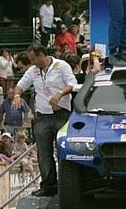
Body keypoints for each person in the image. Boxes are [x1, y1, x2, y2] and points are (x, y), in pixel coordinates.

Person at [12, 43, 77, 197]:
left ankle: (67, 185)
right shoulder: (33, 71)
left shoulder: (62, 66)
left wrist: (60, 94)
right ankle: (48, 186)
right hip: (42, 116)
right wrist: (17, 95)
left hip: (61, 115)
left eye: (34, 59)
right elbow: (20, 85)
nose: (32, 62)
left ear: (42, 55)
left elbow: (72, 84)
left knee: (64, 151)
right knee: (43, 153)